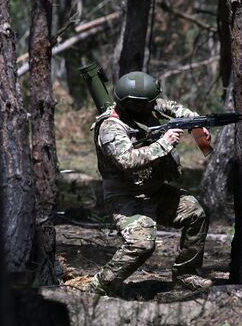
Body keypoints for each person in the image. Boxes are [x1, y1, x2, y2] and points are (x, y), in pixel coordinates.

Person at [87, 71, 213, 295]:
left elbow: (173, 108)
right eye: (149, 102)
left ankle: (186, 275)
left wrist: (195, 123)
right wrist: (163, 144)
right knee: (141, 245)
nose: (155, 105)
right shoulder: (110, 127)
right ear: (134, 105)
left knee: (196, 213)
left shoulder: (147, 106)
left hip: (155, 190)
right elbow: (126, 160)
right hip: (127, 198)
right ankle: (98, 287)